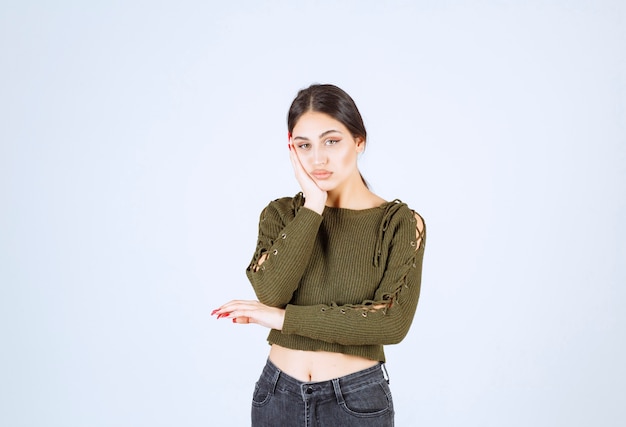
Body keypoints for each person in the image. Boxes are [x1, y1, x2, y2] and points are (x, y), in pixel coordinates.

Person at [212, 83, 426, 426]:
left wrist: (283, 320)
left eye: (331, 141)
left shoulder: (400, 223)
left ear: (359, 141)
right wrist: (313, 206)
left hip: (356, 401)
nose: (318, 158)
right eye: (303, 145)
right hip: (277, 395)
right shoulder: (281, 215)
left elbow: (390, 322)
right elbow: (271, 293)